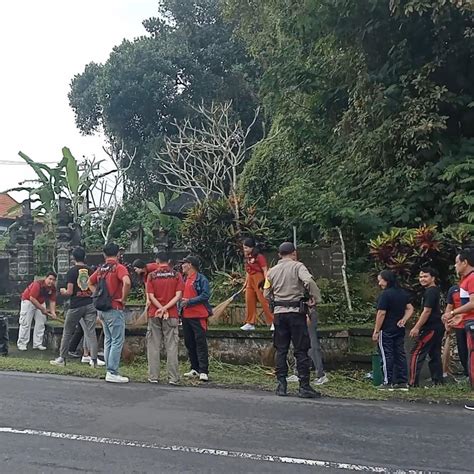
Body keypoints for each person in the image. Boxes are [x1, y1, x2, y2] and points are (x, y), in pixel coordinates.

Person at [264, 242, 322, 398]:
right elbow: (308, 281)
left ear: (279, 254)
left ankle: (281, 385)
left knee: (281, 350)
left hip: (279, 314)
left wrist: (274, 300)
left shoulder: (272, 271)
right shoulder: (298, 267)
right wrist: (315, 298)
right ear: (294, 253)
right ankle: (304, 386)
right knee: (301, 349)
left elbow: (266, 293)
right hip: (296, 313)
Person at [50, 247, 104, 368]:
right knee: (91, 333)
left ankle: (62, 358)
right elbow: (94, 288)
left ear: (73, 258)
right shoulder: (90, 270)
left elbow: (69, 292)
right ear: (84, 257)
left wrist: (63, 291)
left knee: (68, 331)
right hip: (90, 304)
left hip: (76, 305)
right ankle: (94, 360)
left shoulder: (72, 271)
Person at [89, 242, 131, 383]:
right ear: (118, 253)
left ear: (104, 254)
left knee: (108, 339)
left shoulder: (101, 269)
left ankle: (109, 369)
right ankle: (112, 371)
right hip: (114, 308)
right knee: (117, 340)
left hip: (102, 309)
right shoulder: (119, 268)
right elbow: (127, 282)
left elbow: (89, 281)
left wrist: (98, 295)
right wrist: (123, 299)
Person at [146, 252, 184, 385]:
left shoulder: (151, 276)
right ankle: (173, 378)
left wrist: (160, 308)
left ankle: (153, 376)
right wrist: (166, 308)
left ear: (156, 261)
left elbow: (150, 296)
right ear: (168, 261)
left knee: (153, 345)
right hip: (171, 313)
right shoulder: (176, 275)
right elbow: (178, 295)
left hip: (154, 313)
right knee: (172, 346)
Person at [372, 270, 414, 391]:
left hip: (386, 329)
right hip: (399, 329)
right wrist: (404, 319)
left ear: (387, 280)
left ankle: (387, 381)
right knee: (400, 354)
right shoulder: (402, 293)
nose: (379, 283)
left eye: (380, 280)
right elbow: (410, 308)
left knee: (386, 355)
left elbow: (381, 313)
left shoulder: (385, 295)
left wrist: (376, 330)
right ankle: (402, 381)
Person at [408, 267, 444, 387]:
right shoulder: (436, 291)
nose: (422, 279)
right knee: (435, 354)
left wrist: (417, 327)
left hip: (431, 327)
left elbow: (427, 311)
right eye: (421, 277)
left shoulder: (431, 291)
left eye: (425, 276)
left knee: (416, 352)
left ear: (433, 278)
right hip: (438, 326)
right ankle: (438, 382)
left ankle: (412, 382)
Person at [447, 248, 474, 393]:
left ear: (465, 262)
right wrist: (459, 316)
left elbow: (473, 303)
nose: (455, 266)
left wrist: (453, 312)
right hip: (467, 321)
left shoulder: (472, 278)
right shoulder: (465, 280)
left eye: (457, 262)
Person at [181, 256, 211, 382]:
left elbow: (205, 295)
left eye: (184, 263)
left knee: (200, 342)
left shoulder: (201, 279)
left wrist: (190, 301)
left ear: (190, 265)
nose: (182, 266)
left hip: (198, 315)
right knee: (189, 342)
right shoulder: (185, 279)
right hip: (186, 316)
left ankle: (203, 370)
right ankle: (194, 368)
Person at [17, 272, 58, 351]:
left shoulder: (53, 288)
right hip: (28, 301)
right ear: (46, 278)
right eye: (50, 279)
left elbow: (52, 301)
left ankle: (37, 343)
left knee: (41, 322)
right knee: (25, 323)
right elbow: (32, 298)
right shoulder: (37, 284)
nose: (51, 281)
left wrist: (53, 313)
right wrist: (42, 309)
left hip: (41, 302)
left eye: (53, 280)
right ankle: (22, 343)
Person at [240, 238, 274, 331]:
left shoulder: (259, 257)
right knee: (249, 300)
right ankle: (250, 323)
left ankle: (273, 322)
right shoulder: (247, 257)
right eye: (244, 248)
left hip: (259, 279)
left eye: (246, 248)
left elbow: (265, 269)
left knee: (264, 300)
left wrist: (267, 283)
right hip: (250, 279)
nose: (245, 250)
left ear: (252, 247)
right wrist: (246, 282)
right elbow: (247, 271)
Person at [441, 283, 463, 381]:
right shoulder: (454, 289)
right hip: (456, 324)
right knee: (453, 351)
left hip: (469, 323)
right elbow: (449, 307)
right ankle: (448, 374)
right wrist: (447, 320)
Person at [307, 306, 328, 385]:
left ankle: (320, 374)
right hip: (296, 313)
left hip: (308, 312)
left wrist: (307, 314)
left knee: (312, 345)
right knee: (299, 344)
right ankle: (298, 372)